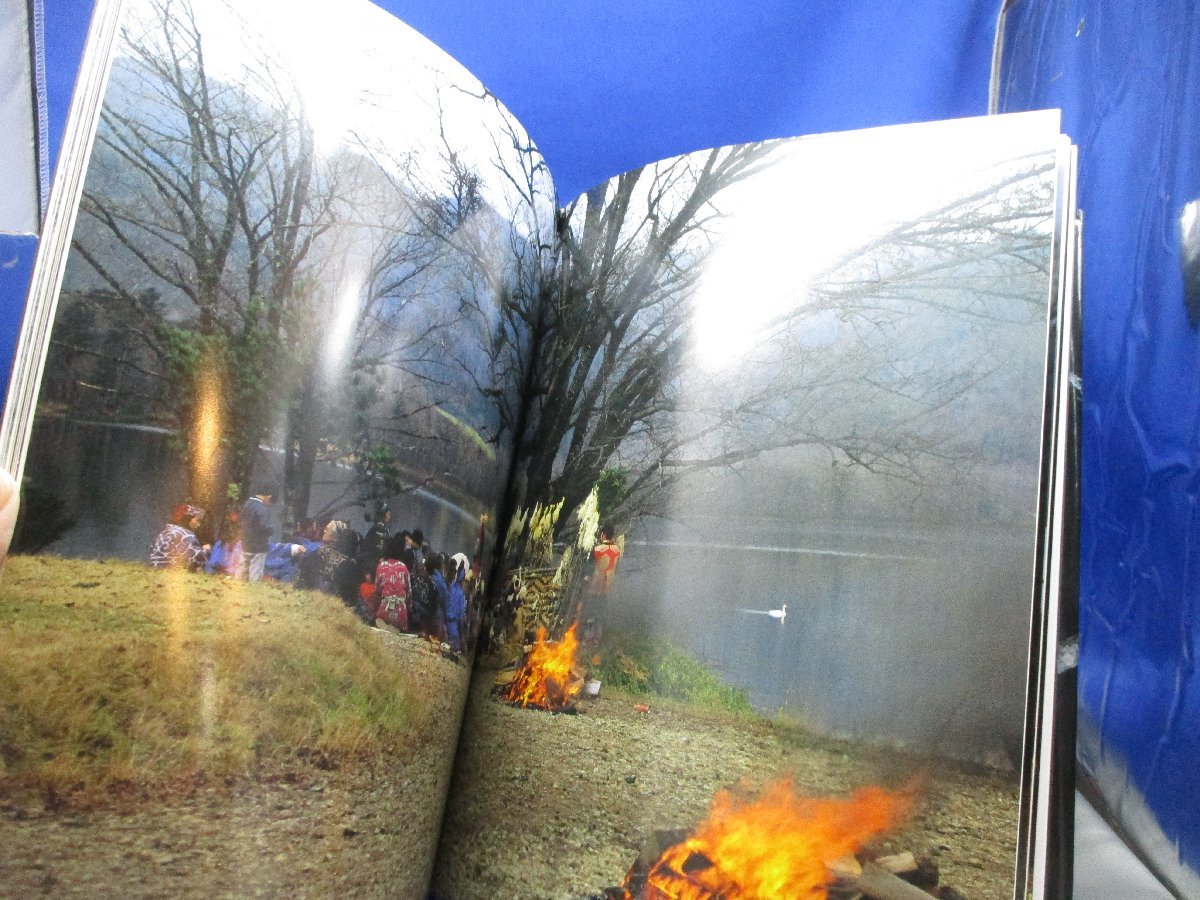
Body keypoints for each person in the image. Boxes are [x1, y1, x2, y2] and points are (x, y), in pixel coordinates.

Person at [150, 503, 209, 570]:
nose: (199, 525)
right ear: (188, 518)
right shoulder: (188, 536)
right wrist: (206, 550)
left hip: (156, 569)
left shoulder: (163, 533)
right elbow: (199, 561)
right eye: (197, 520)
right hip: (173, 571)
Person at [373, 533, 410, 631]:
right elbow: (409, 595)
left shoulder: (381, 566)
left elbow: (376, 591)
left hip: (384, 611)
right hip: (401, 614)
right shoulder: (404, 568)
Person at [240, 486, 275, 582]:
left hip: (245, 543)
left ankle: (237, 586)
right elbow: (263, 527)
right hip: (258, 546)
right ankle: (253, 591)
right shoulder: (262, 509)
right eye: (270, 499)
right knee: (255, 572)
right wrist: (271, 530)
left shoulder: (246, 504)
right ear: (267, 496)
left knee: (242, 569)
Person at [445, 554, 467, 652]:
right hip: (453, 625)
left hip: (444, 622)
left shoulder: (450, 586)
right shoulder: (459, 593)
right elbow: (461, 614)